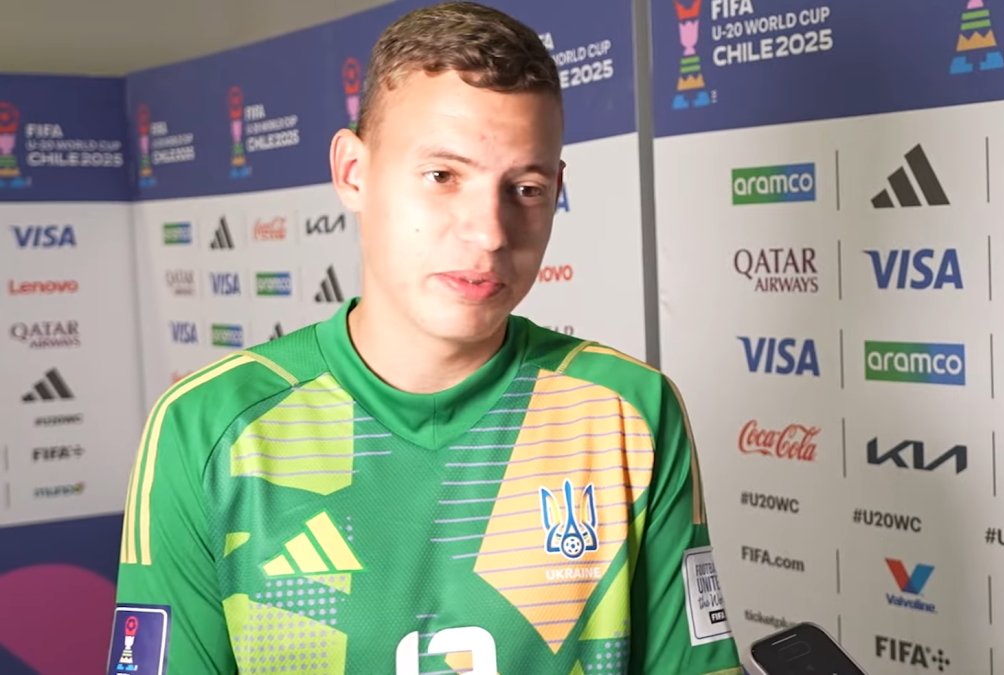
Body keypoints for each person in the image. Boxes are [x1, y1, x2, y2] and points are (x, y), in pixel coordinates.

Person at [108, 3, 741, 673]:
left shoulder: (629, 410)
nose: (489, 232)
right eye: (443, 176)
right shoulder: (208, 426)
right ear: (353, 172)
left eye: (525, 188)